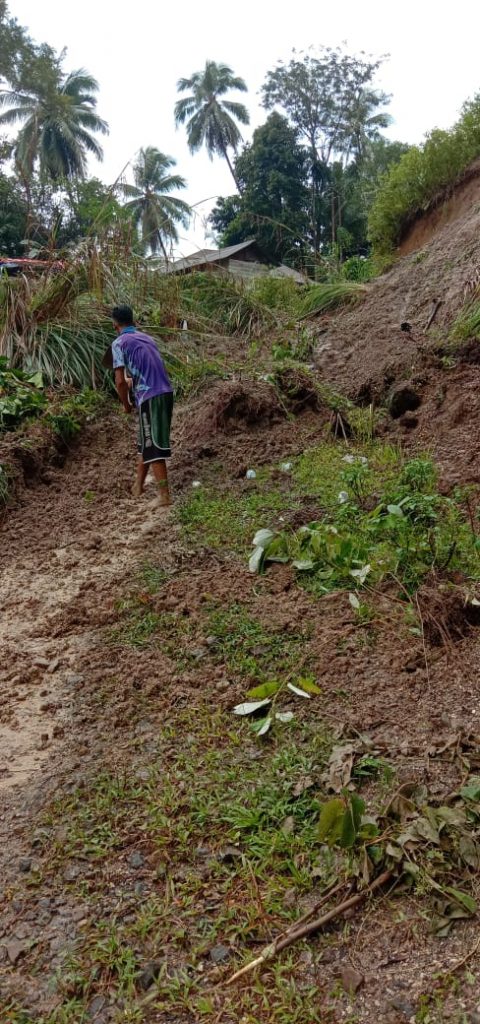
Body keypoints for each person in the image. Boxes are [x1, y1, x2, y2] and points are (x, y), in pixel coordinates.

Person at [104, 305, 174, 505]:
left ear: (115, 325)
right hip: (164, 391)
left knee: (152, 445)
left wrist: (126, 405)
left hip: (149, 396)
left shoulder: (119, 343)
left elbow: (119, 381)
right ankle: (138, 487)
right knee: (145, 443)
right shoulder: (147, 338)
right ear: (133, 321)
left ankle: (164, 496)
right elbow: (148, 368)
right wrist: (133, 381)